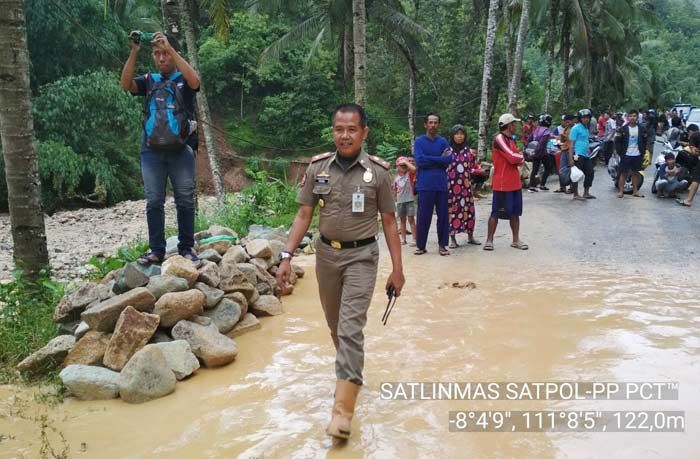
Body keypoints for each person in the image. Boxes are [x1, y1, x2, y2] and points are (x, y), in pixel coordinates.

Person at [275, 103, 405, 441]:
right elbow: (304, 214)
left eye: (351, 129)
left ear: (364, 132)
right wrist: (286, 256)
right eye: (338, 129)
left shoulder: (378, 173)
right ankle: (351, 376)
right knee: (336, 327)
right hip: (325, 258)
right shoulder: (319, 168)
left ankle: (342, 411)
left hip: (362, 256)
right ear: (333, 131)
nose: (344, 135)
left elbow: (390, 223)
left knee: (350, 328)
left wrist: (398, 270)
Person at [120, 31, 202, 267]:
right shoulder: (150, 80)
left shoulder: (182, 79)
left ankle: (186, 248)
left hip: (181, 149)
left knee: (185, 199)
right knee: (154, 201)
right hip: (151, 151)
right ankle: (157, 250)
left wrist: (172, 49)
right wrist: (135, 51)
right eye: (157, 54)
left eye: (164, 53)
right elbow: (126, 84)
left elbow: (195, 82)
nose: (161, 58)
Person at [484, 114, 527, 251]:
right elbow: (512, 157)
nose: (515, 126)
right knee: (496, 212)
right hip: (502, 183)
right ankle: (489, 240)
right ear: (508, 125)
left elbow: (515, 156)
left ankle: (516, 240)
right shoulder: (499, 139)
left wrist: (519, 157)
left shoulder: (511, 140)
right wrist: (522, 157)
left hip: (514, 182)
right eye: (513, 124)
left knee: (515, 212)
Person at [413, 113, 453, 256]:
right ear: (425, 124)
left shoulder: (443, 141)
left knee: (443, 216)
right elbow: (419, 160)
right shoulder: (419, 141)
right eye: (430, 122)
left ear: (439, 125)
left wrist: (430, 160)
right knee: (424, 216)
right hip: (424, 184)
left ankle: (443, 245)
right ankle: (421, 246)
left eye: (435, 122)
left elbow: (448, 159)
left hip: (441, 184)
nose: (433, 125)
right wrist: (438, 159)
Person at [446, 125, 480, 248]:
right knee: (452, 211)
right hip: (452, 188)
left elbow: (473, 168)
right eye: (457, 134)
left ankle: (470, 236)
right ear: (452, 136)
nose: (459, 136)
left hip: (466, 188)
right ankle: (452, 239)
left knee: (469, 211)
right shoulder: (447, 151)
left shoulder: (469, 152)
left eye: (462, 134)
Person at [615, 109, 648, 198]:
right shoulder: (622, 129)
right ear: (627, 117)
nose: (632, 118)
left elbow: (645, 141)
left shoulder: (642, 128)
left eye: (634, 116)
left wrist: (643, 152)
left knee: (636, 173)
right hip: (626, 154)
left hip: (637, 154)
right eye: (630, 116)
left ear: (637, 117)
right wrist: (620, 152)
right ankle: (621, 191)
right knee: (623, 173)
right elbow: (617, 141)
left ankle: (635, 191)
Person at [569, 109, 596, 200]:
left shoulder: (586, 128)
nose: (586, 119)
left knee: (590, 173)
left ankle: (586, 193)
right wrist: (571, 158)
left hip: (586, 155)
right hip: (577, 155)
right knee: (576, 175)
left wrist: (588, 149)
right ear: (580, 118)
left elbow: (585, 140)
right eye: (584, 118)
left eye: (587, 118)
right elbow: (571, 144)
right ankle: (575, 194)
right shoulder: (575, 128)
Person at [393, 156, 417, 245]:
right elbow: (395, 190)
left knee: (411, 219)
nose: (403, 167)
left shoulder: (409, 174)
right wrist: (393, 200)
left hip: (409, 200)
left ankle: (414, 239)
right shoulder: (396, 178)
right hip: (400, 201)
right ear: (397, 166)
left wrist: (406, 163)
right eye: (401, 166)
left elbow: (414, 169)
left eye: (404, 166)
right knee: (402, 220)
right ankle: (403, 238)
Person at [528, 114, 554, 193]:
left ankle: (532, 186)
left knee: (534, 169)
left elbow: (529, 139)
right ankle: (542, 185)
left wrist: (531, 150)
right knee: (548, 167)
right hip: (542, 152)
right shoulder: (546, 131)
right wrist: (538, 150)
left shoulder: (536, 129)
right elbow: (542, 143)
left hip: (535, 151)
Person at [677, 132, 700, 207]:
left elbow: (694, 152)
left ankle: (689, 200)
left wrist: (697, 151)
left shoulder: (696, 136)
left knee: (696, 179)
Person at [555, 114, 576, 193]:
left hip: (571, 150)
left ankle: (571, 188)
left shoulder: (575, 129)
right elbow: (563, 141)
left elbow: (573, 140)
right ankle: (562, 187)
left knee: (571, 169)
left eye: (568, 122)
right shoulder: (566, 128)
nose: (566, 124)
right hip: (564, 149)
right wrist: (562, 137)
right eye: (565, 122)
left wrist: (565, 137)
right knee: (562, 169)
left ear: (572, 121)